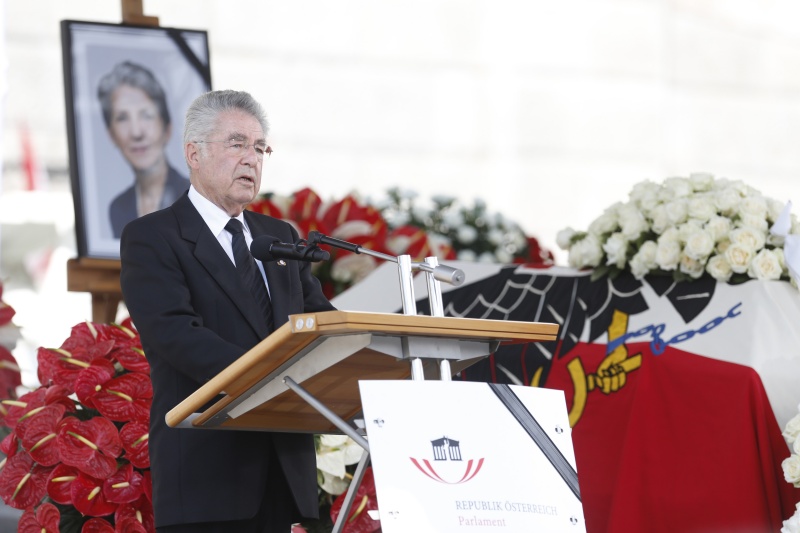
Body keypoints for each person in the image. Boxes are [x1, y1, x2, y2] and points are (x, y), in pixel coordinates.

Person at [120, 89, 335, 532]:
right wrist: (274, 377)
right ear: (193, 154)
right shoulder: (154, 236)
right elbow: (176, 334)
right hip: (208, 475)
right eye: (237, 143)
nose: (252, 159)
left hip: (287, 472)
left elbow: (320, 323)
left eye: (260, 148)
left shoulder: (278, 235)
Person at [97, 61, 190, 238]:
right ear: (111, 135)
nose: (136, 132)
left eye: (146, 115)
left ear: (167, 127)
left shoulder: (192, 198)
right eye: (122, 118)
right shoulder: (118, 208)